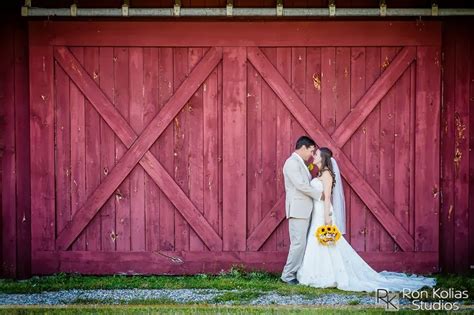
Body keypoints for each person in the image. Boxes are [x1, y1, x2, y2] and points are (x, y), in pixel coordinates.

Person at [296, 147, 436, 292]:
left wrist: (327, 217)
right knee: (318, 242)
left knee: (329, 243)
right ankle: (317, 272)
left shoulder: (326, 175)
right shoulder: (320, 173)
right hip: (317, 212)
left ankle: (331, 275)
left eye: (317, 153)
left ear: (323, 157)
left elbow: (327, 199)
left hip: (324, 212)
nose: (314, 155)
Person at [280, 136, 320, 285]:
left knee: (301, 243)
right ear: (303, 147)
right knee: (298, 243)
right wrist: (319, 195)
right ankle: (288, 275)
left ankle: (296, 272)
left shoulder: (300, 163)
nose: (311, 154)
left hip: (304, 209)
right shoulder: (291, 163)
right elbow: (301, 185)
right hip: (298, 210)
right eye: (311, 150)